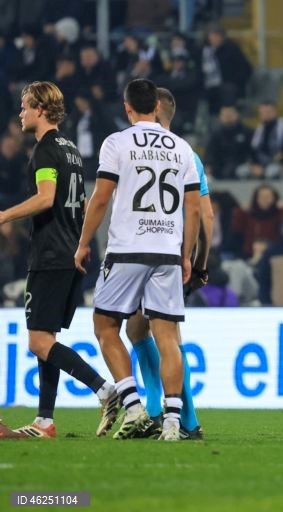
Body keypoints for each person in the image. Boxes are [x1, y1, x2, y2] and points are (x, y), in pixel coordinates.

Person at [75, 79, 201, 441]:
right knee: (167, 337)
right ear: (156, 107)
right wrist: (186, 254)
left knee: (104, 325)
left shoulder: (117, 143)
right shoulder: (182, 148)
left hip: (128, 248)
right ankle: (174, 423)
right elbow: (193, 207)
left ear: (128, 107)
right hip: (167, 250)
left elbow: (100, 198)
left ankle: (133, 408)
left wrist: (84, 243)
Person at [0, 81, 118, 438]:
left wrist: (4, 215)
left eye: (24, 106)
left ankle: (105, 390)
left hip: (50, 255)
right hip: (70, 252)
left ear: (40, 109)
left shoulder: (45, 151)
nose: (20, 113)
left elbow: (46, 198)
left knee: (38, 341)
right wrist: (81, 243)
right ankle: (45, 420)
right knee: (46, 338)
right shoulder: (71, 150)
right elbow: (80, 203)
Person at [122, 87, 214, 440]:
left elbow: (202, 213)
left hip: (154, 251)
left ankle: (185, 419)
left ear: (154, 110)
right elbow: (207, 215)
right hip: (172, 255)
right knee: (137, 328)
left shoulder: (139, 149)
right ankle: (159, 409)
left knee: (165, 335)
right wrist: (201, 261)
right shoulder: (189, 155)